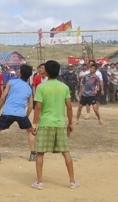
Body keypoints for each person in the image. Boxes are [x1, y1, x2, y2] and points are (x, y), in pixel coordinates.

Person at [31, 60, 79, 190]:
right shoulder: (64, 87)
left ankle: (39, 182)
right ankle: (72, 181)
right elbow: (69, 107)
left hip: (45, 123)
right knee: (66, 152)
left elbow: (38, 108)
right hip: (59, 124)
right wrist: (70, 123)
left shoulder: (41, 87)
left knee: (40, 153)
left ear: (46, 71)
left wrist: (34, 125)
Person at [0, 65, 36, 162]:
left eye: (19, 70)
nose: (18, 71)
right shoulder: (29, 88)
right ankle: (33, 154)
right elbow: (30, 106)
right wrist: (26, 115)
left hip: (7, 112)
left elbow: (3, 97)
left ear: (21, 73)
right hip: (21, 113)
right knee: (30, 131)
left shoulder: (11, 82)